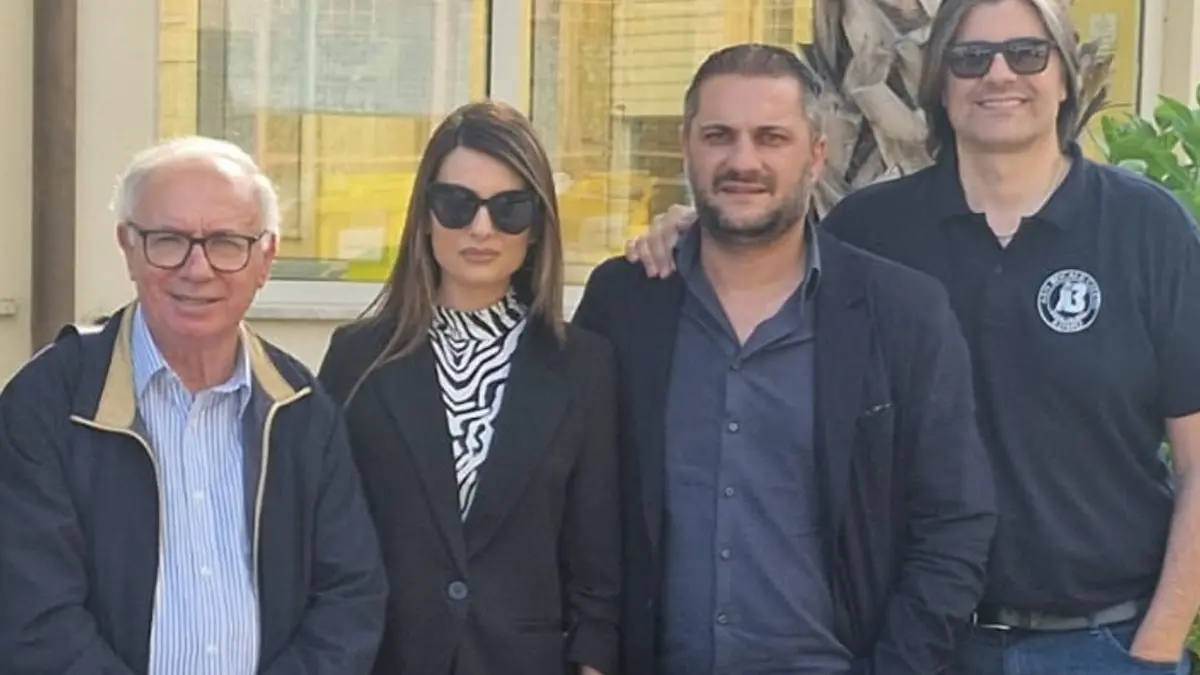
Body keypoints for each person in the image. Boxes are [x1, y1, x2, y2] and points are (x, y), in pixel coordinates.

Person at [629, 0, 1200, 672]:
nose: (998, 75)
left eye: (1026, 53)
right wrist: (686, 230)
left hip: (1099, 640)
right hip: (920, 641)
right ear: (939, 83)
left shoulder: (1146, 229)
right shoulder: (871, 231)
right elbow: (759, 252)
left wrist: (1157, 644)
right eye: (969, 58)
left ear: (1066, 76)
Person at [574, 43, 997, 675]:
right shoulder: (625, 302)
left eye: (771, 137)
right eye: (719, 136)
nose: (743, 161)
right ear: (687, 147)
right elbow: (579, 500)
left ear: (816, 155)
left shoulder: (901, 314)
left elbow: (953, 523)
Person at [0, 136, 389, 674]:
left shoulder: (300, 407)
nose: (198, 268)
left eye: (226, 242)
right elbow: (33, 615)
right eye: (169, 240)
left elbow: (349, 599)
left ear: (266, 258)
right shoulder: (49, 401)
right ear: (127, 247)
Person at [317, 101, 620, 675]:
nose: (482, 229)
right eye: (457, 203)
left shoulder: (584, 366)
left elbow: (597, 566)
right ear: (425, 216)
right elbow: (326, 543)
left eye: (509, 208)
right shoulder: (357, 359)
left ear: (537, 226)